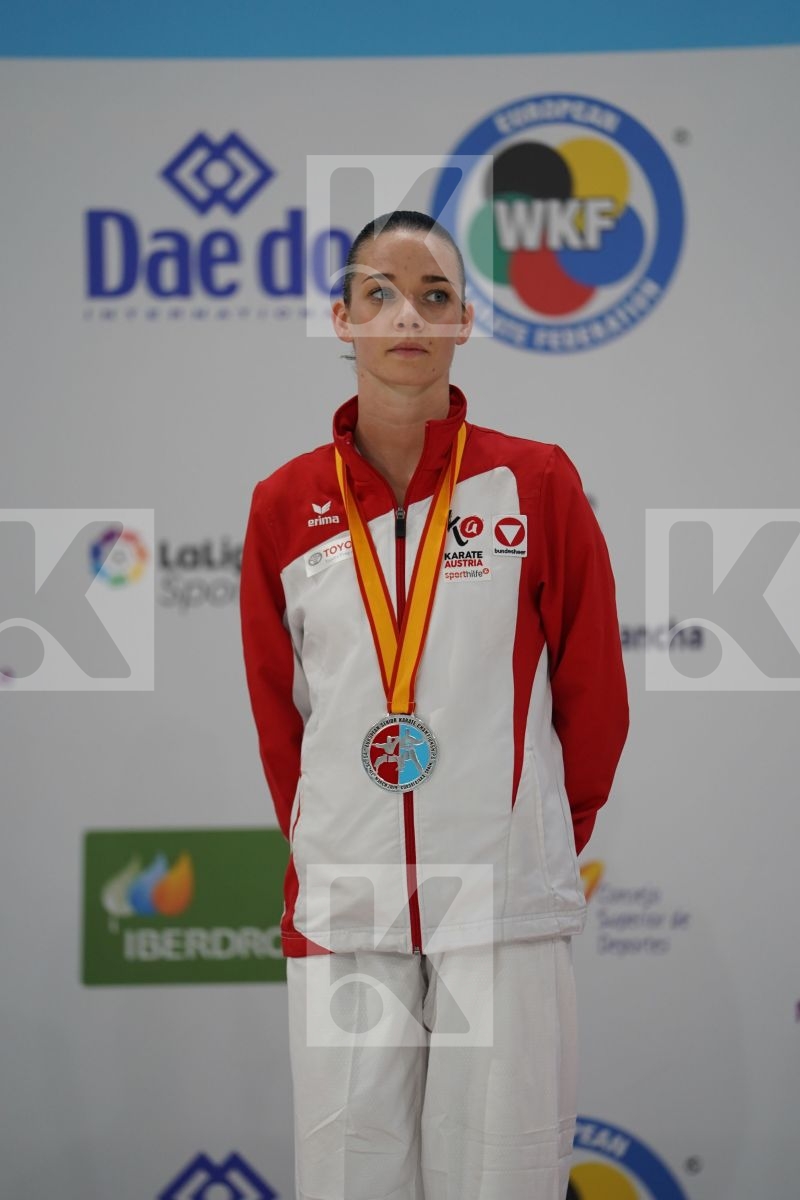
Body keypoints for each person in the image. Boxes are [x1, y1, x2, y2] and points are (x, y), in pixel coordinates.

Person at [239, 209, 630, 1200]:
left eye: (433, 296)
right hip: (346, 902)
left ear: (464, 324)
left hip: (498, 899)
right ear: (341, 318)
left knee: (502, 1175)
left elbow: (592, 693)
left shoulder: (531, 482)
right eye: (379, 294)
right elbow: (279, 710)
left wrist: (532, 832)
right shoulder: (284, 504)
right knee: (346, 1174)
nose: (406, 314)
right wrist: (333, 836)